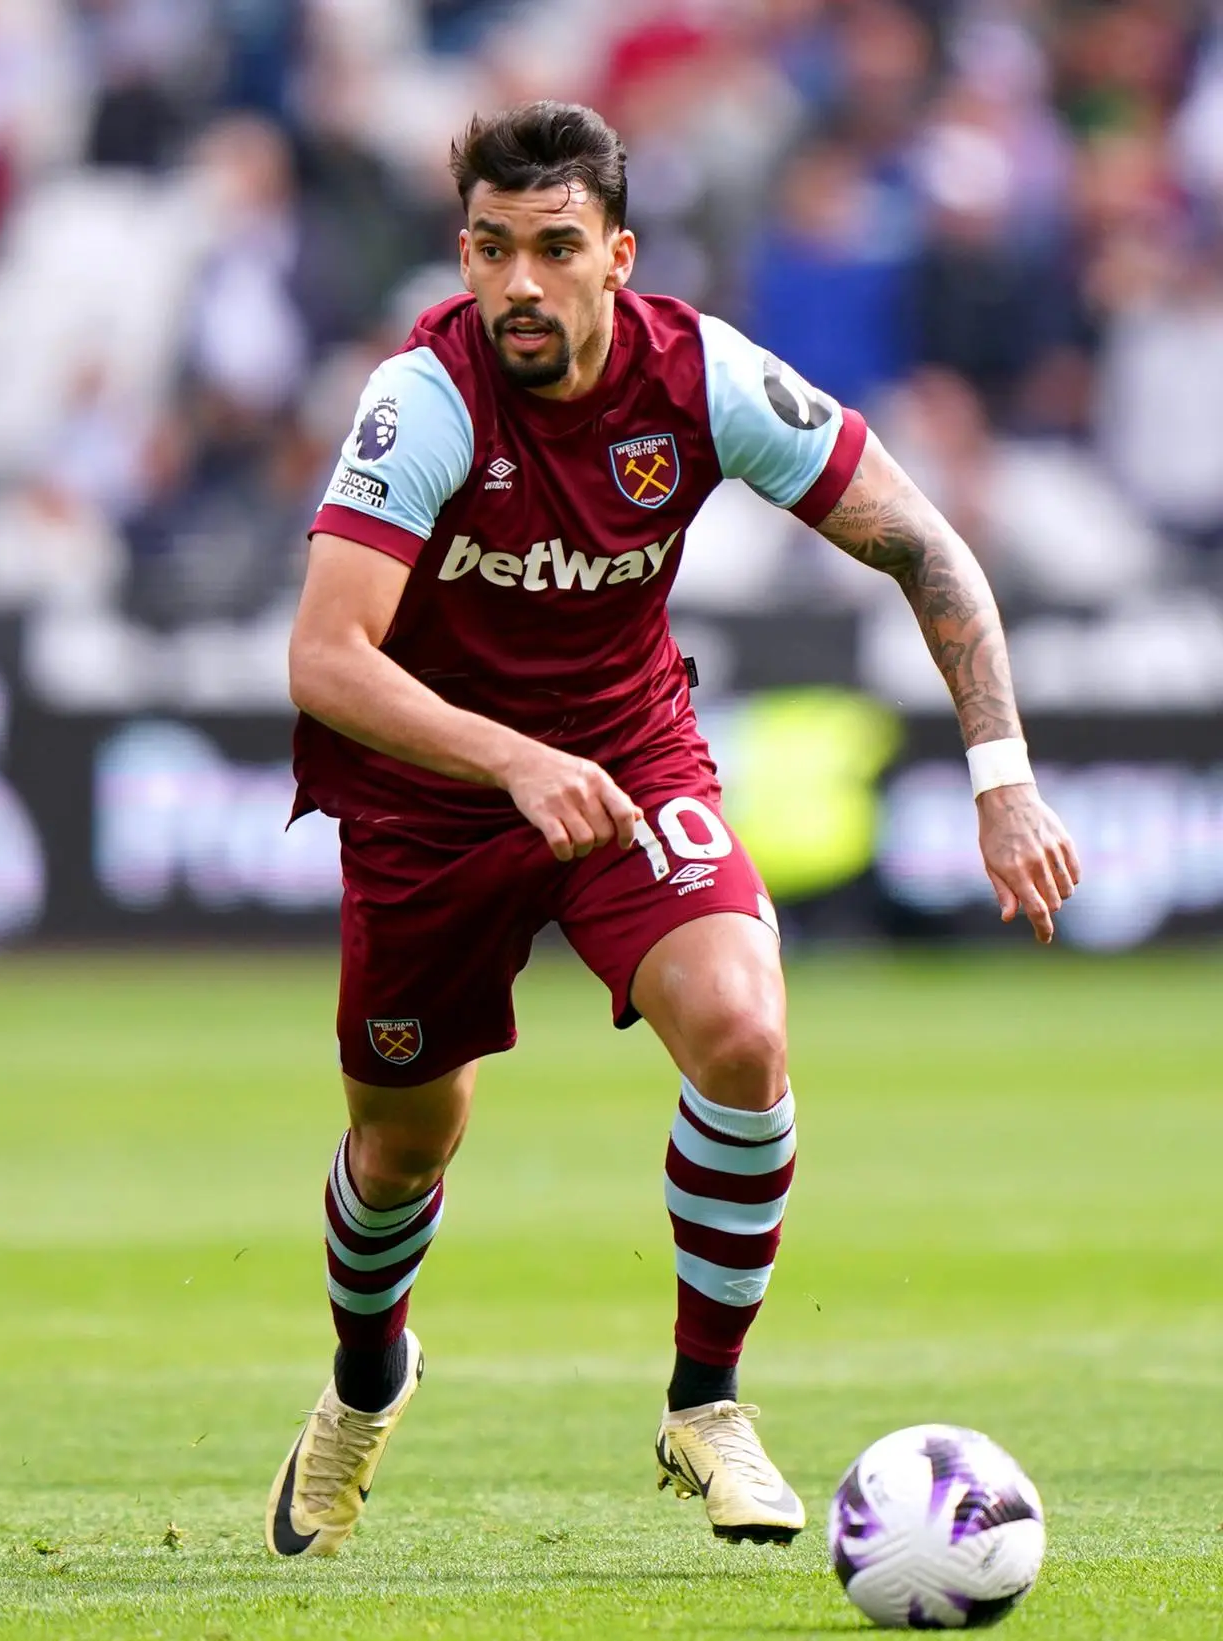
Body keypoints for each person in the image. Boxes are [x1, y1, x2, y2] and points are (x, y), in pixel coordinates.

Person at [265, 101, 1079, 1558]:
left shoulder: (704, 375)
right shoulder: (425, 399)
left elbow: (923, 542)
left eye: (555, 249)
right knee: (402, 1144)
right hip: (428, 792)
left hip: (629, 755)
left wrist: (1001, 774)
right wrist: (511, 761)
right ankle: (367, 1377)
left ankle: (706, 1404)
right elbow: (327, 660)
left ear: (617, 257)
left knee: (744, 1033)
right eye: (490, 249)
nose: (517, 283)